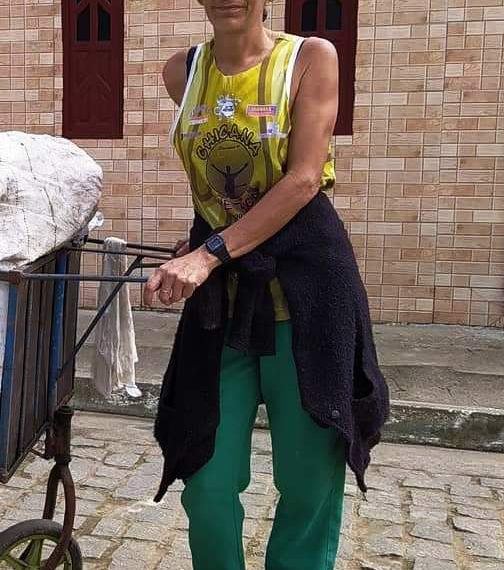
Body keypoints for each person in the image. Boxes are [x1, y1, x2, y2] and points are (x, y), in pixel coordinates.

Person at [145, 0, 391, 568]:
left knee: (308, 486)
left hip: (308, 298)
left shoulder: (310, 58)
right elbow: (219, 194)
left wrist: (208, 255)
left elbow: (304, 179)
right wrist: (198, 246)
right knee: (204, 478)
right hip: (225, 305)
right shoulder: (180, 72)